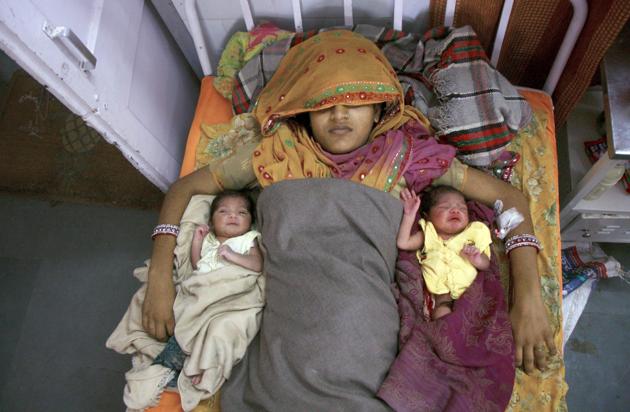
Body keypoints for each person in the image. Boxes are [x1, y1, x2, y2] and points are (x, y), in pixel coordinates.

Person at [141, 29, 556, 410]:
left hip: (365, 340)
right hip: (288, 342)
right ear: (304, 112)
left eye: (354, 102)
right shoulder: (276, 155)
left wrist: (528, 300)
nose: (339, 115)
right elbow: (184, 189)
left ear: (378, 110)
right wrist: (160, 278)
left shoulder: (405, 155)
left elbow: (509, 197)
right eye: (324, 105)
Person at [117, 190, 262, 411]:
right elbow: (197, 267)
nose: (233, 216)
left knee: (218, 330)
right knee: (185, 318)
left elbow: (256, 265)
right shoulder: (210, 240)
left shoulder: (247, 240)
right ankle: (175, 365)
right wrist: (196, 241)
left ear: (250, 222)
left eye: (241, 212)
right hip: (200, 292)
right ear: (212, 222)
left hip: (229, 293)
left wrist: (233, 256)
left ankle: (194, 366)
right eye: (224, 212)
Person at [397, 185, 492, 319]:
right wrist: (409, 215)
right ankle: (447, 330)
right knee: (442, 310)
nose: (455, 210)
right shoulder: (427, 234)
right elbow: (403, 243)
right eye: (445, 207)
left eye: (462, 208)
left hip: (470, 294)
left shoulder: (472, 234)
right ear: (427, 215)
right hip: (441, 294)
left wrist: (476, 258)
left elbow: (486, 264)